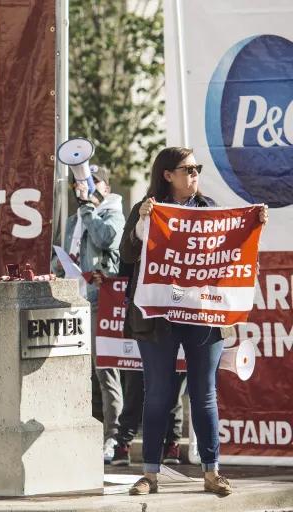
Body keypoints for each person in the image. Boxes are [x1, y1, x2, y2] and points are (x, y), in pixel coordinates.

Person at [120, 147, 268, 496]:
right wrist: (143, 223)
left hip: (202, 314)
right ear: (167, 175)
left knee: (204, 394)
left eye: (197, 168)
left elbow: (229, 254)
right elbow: (126, 257)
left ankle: (212, 472)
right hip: (158, 317)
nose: (195, 174)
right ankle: (150, 475)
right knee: (158, 394)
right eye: (188, 169)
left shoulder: (210, 210)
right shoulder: (147, 209)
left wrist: (251, 231)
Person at [62, 165, 125, 462]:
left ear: (106, 189)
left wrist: (89, 210)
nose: (85, 187)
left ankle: (114, 438)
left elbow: (106, 239)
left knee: (105, 371)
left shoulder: (113, 212)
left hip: (101, 300)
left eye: (93, 182)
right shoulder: (74, 219)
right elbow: (63, 254)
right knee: (79, 372)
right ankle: (83, 433)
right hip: (73, 300)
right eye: (81, 184)